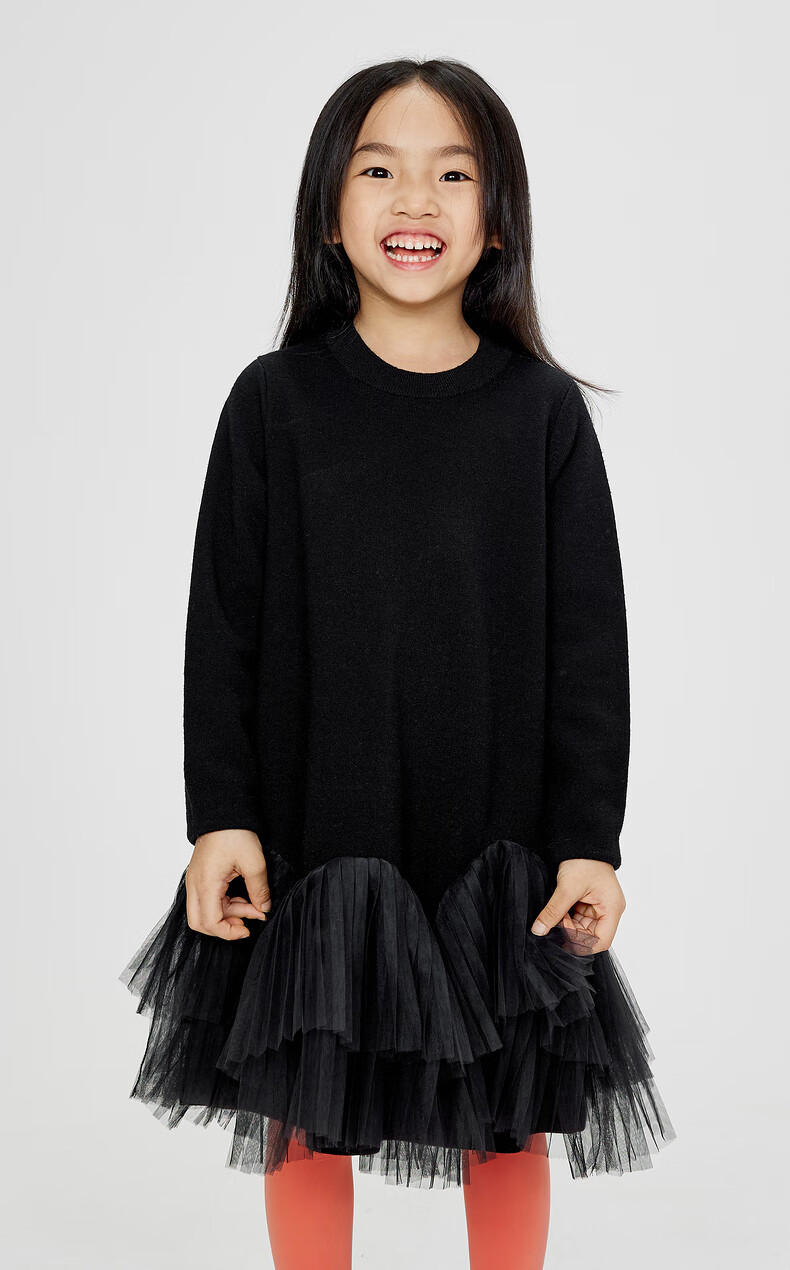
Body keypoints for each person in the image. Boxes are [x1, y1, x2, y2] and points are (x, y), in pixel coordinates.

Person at [119, 58, 676, 1270]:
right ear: (330, 208)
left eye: (453, 175)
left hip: (499, 848)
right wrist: (221, 818)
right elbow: (222, 628)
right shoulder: (273, 404)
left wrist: (589, 841)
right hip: (318, 836)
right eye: (379, 169)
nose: (414, 199)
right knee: (304, 1106)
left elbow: (591, 646)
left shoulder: (540, 413)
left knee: (506, 1112)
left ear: (497, 217)